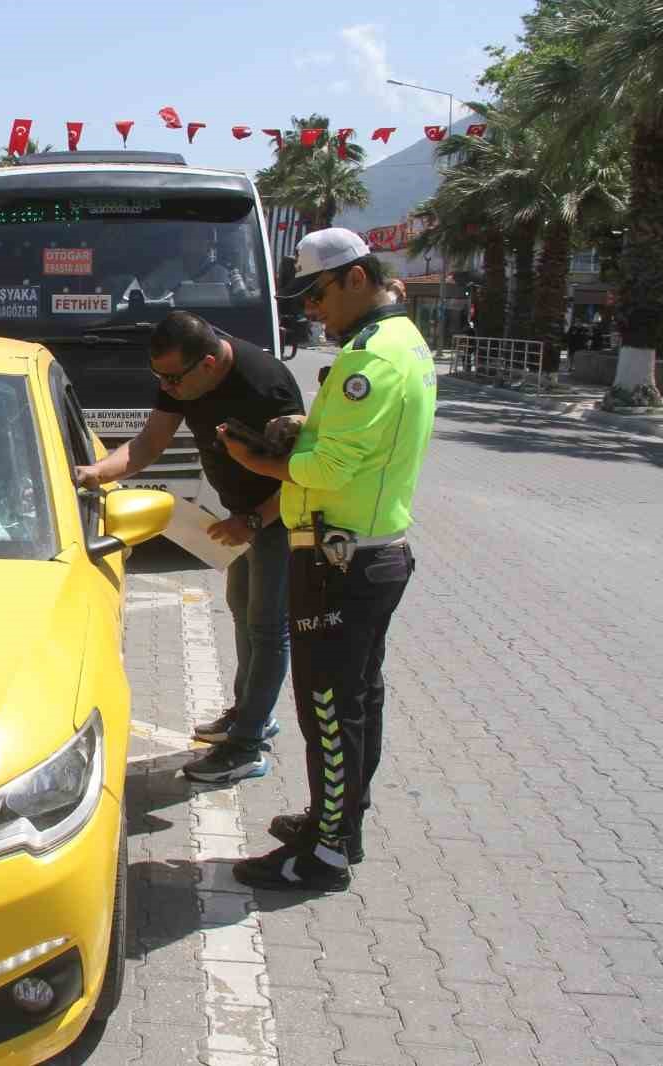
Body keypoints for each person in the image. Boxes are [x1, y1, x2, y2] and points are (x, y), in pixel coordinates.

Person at [218, 228, 435, 892]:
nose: (313, 309)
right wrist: (302, 430)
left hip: (341, 561)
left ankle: (326, 855)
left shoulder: (372, 360)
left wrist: (262, 460)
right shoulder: (400, 345)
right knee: (356, 701)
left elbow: (332, 466)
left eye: (317, 294)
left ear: (357, 280)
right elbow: (347, 443)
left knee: (329, 711)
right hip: (369, 554)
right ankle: (337, 824)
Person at [74, 310, 305, 784]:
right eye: (159, 377)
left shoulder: (267, 386)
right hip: (239, 515)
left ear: (209, 361)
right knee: (242, 611)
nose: (168, 388)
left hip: (277, 516)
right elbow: (148, 444)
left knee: (267, 628)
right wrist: (97, 472)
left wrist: (254, 521)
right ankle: (249, 711)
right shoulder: (180, 375)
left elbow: (304, 474)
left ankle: (246, 746)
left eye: (174, 379)